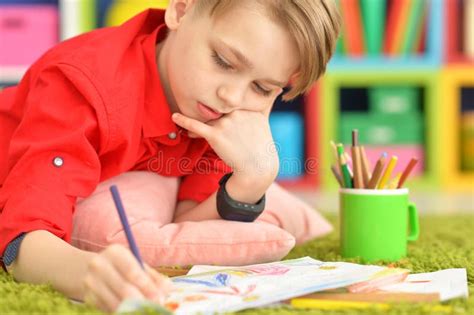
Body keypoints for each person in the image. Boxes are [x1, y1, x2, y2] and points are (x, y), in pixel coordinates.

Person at [0, 0, 340, 312]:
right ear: (180, 9)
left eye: (262, 88)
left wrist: (251, 182)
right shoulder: (81, 86)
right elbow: (19, 242)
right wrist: (85, 270)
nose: (231, 96)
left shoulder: (224, 114)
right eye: (223, 61)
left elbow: (186, 229)